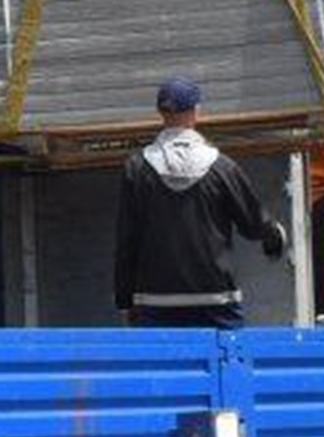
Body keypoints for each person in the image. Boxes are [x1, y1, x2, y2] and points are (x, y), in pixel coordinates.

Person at [114, 76, 288, 327]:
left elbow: (127, 240)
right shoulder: (221, 167)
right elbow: (252, 223)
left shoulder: (136, 168)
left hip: (154, 301)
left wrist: (125, 301)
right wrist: (274, 237)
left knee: (163, 366)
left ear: (160, 112)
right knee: (226, 363)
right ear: (197, 111)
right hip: (216, 301)